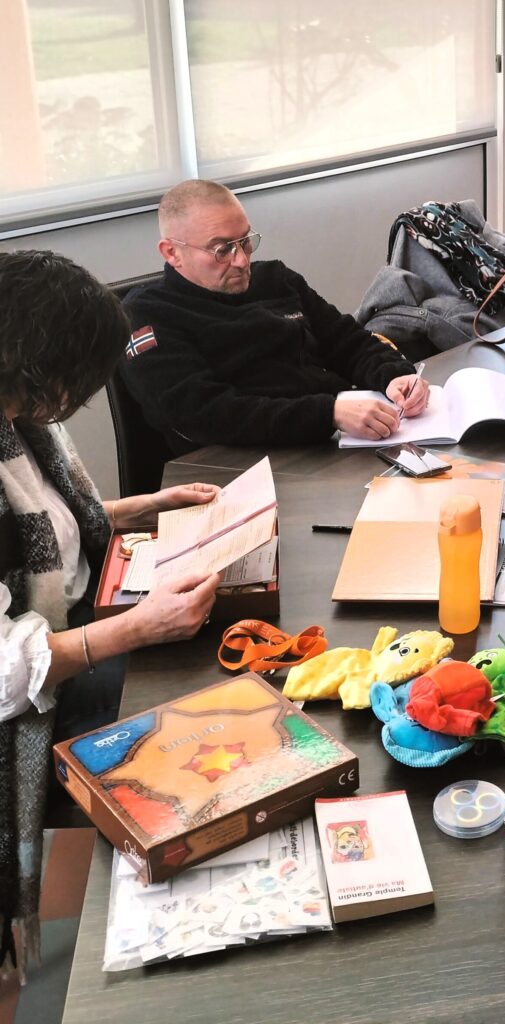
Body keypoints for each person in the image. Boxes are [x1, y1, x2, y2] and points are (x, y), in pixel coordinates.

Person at [0, 250, 222, 978]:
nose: (74, 400)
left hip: (77, 622)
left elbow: (54, 527)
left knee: (214, 659)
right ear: (36, 365)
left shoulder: (16, 421)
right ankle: (176, 924)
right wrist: (136, 627)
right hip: (27, 704)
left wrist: (147, 506)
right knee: (198, 707)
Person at [120, 179, 430, 455]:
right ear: (172, 253)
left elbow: (347, 341)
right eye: (222, 250)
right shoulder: (149, 314)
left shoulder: (277, 280)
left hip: (338, 439)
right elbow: (203, 413)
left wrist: (393, 376)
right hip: (243, 465)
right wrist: (329, 413)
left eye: (245, 241)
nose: (242, 261)